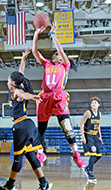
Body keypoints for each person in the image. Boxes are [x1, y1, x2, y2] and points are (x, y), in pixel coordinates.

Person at [32, 23, 85, 168]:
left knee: (66, 125)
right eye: (54, 54)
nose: (56, 54)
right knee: (41, 129)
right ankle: (41, 152)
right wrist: (36, 34)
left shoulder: (65, 65)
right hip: (45, 96)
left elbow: (60, 49)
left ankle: (76, 153)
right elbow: (35, 51)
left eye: (58, 54)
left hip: (58, 96)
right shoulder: (47, 64)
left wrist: (53, 34)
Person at [0, 48, 52, 190]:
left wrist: (33, 96)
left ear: (13, 83)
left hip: (21, 125)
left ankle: (10, 186)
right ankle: (44, 184)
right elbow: (21, 74)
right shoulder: (17, 86)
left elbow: (24, 94)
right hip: (28, 124)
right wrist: (23, 59)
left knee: (17, 159)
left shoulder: (16, 91)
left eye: (8, 80)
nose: (7, 81)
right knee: (31, 157)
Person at [80, 96, 103, 184]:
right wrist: (83, 137)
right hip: (88, 135)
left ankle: (87, 168)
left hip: (95, 136)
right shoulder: (88, 113)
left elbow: (98, 126)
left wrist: (100, 137)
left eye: (95, 103)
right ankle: (90, 174)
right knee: (93, 154)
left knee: (99, 155)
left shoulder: (99, 114)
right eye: (92, 103)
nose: (93, 104)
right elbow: (81, 124)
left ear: (98, 105)